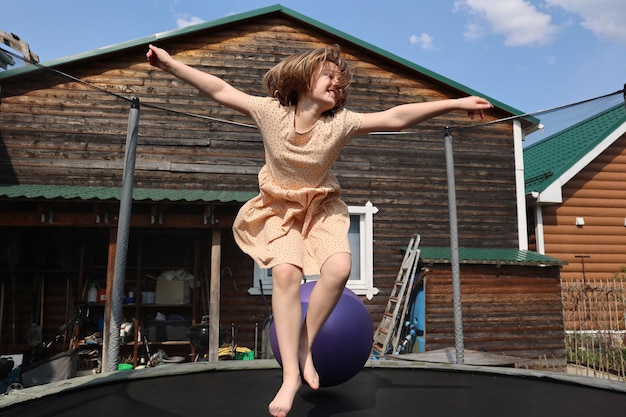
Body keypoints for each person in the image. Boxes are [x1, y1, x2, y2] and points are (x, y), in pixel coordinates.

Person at [146, 44, 492, 417]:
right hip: (279, 209)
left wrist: (454, 103)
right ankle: (291, 376)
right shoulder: (270, 112)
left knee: (340, 269)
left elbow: (396, 116)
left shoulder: (339, 124)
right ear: (302, 79)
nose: (337, 84)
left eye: (341, 82)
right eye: (329, 76)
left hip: (321, 208)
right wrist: (169, 64)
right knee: (285, 274)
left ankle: (304, 343)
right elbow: (218, 89)